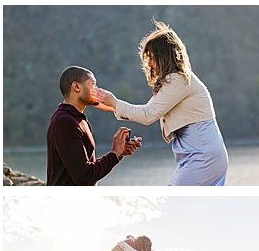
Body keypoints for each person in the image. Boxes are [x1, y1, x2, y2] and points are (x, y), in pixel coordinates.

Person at [90, 22, 227, 186]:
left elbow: (147, 115)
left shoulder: (178, 80)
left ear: (164, 56)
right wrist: (107, 103)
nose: (149, 64)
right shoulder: (178, 80)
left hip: (202, 156)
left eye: (152, 58)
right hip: (202, 154)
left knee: (173, 205)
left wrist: (114, 101)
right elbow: (147, 110)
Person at [47, 66, 141, 186]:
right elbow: (84, 176)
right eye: (93, 84)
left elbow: (85, 168)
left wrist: (119, 153)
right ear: (76, 87)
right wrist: (114, 153)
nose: (98, 90)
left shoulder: (77, 120)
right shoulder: (64, 122)